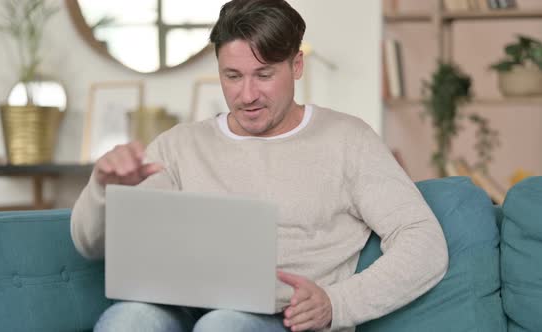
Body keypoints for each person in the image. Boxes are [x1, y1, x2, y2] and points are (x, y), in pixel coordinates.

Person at [70, 0, 449, 331]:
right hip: (180, 310)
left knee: (224, 325)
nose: (247, 95)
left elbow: (424, 242)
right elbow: (92, 246)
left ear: (296, 65)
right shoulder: (179, 146)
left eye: (264, 75)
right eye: (232, 76)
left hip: (283, 319)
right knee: (129, 319)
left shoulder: (348, 140)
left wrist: (338, 303)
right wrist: (103, 189)